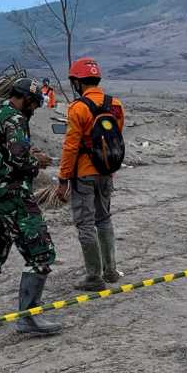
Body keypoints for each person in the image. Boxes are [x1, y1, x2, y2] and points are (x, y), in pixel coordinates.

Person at [0, 78, 62, 336]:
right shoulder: (15, 120)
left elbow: (1, 153)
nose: (34, 109)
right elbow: (19, 159)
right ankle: (28, 317)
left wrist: (28, 155)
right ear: (23, 99)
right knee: (41, 252)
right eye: (33, 103)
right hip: (14, 196)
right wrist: (38, 163)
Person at [56, 57, 125, 290]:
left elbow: (71, 146)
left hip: (83, 174)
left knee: (85, 223)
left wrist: (63, 178)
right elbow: (115, 139)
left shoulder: (78, 108)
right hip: (106, 172)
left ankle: (94, 277)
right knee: (104, 219)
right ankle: (111, 271)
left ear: (77, 82)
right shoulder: (115, 104)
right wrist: (110, 169)